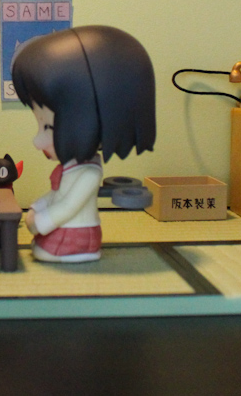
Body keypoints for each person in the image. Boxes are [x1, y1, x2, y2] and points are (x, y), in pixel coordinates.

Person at [11, 25, 156, 262]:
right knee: (39, 248)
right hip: (64, 227)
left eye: (48, 128)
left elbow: (69, 205)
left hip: (76, 232)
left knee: (43, 251)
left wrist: (42, 221)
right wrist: (37, 207)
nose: (37, 141)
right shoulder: (71, 167)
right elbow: (57, 195)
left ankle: (79, 251)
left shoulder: (89, 173)